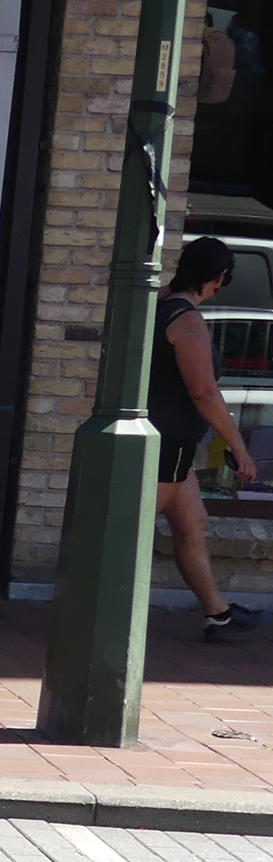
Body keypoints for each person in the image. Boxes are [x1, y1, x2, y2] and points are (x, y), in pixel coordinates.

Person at [152, 235, 263, 642]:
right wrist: (239, 447)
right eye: (224, 280)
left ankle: (218, 613)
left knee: (193, 525)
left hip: (172, 446)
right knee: (131, 532)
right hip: (168, 446)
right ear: (217, 277)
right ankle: (100, 613)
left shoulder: (163, 305)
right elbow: (204, 392)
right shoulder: (187, 320)